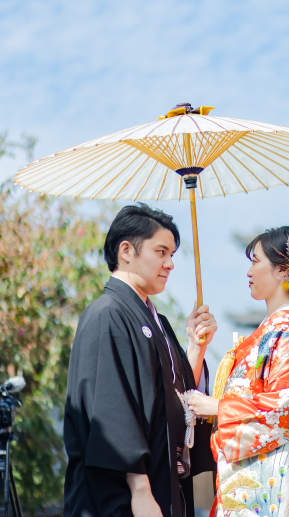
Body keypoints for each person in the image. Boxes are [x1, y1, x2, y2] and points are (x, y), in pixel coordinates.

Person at [64, 203, 217, 517]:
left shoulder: (155, 320)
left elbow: (177, 398)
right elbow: (112, 409)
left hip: (161, 481)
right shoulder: (107, 313)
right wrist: (140, 490)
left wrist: (195, 346)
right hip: (125, 493)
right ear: (126, 251)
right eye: (161, 252)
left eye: (172, 254)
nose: (170, 264)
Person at [187, 227, 289, 517]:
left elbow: (285, 408)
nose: (249, 271)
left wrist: (218, 407)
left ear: (283, 272)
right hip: (254, 476)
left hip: (269, 483)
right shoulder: (276, 330)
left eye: (255, 261)